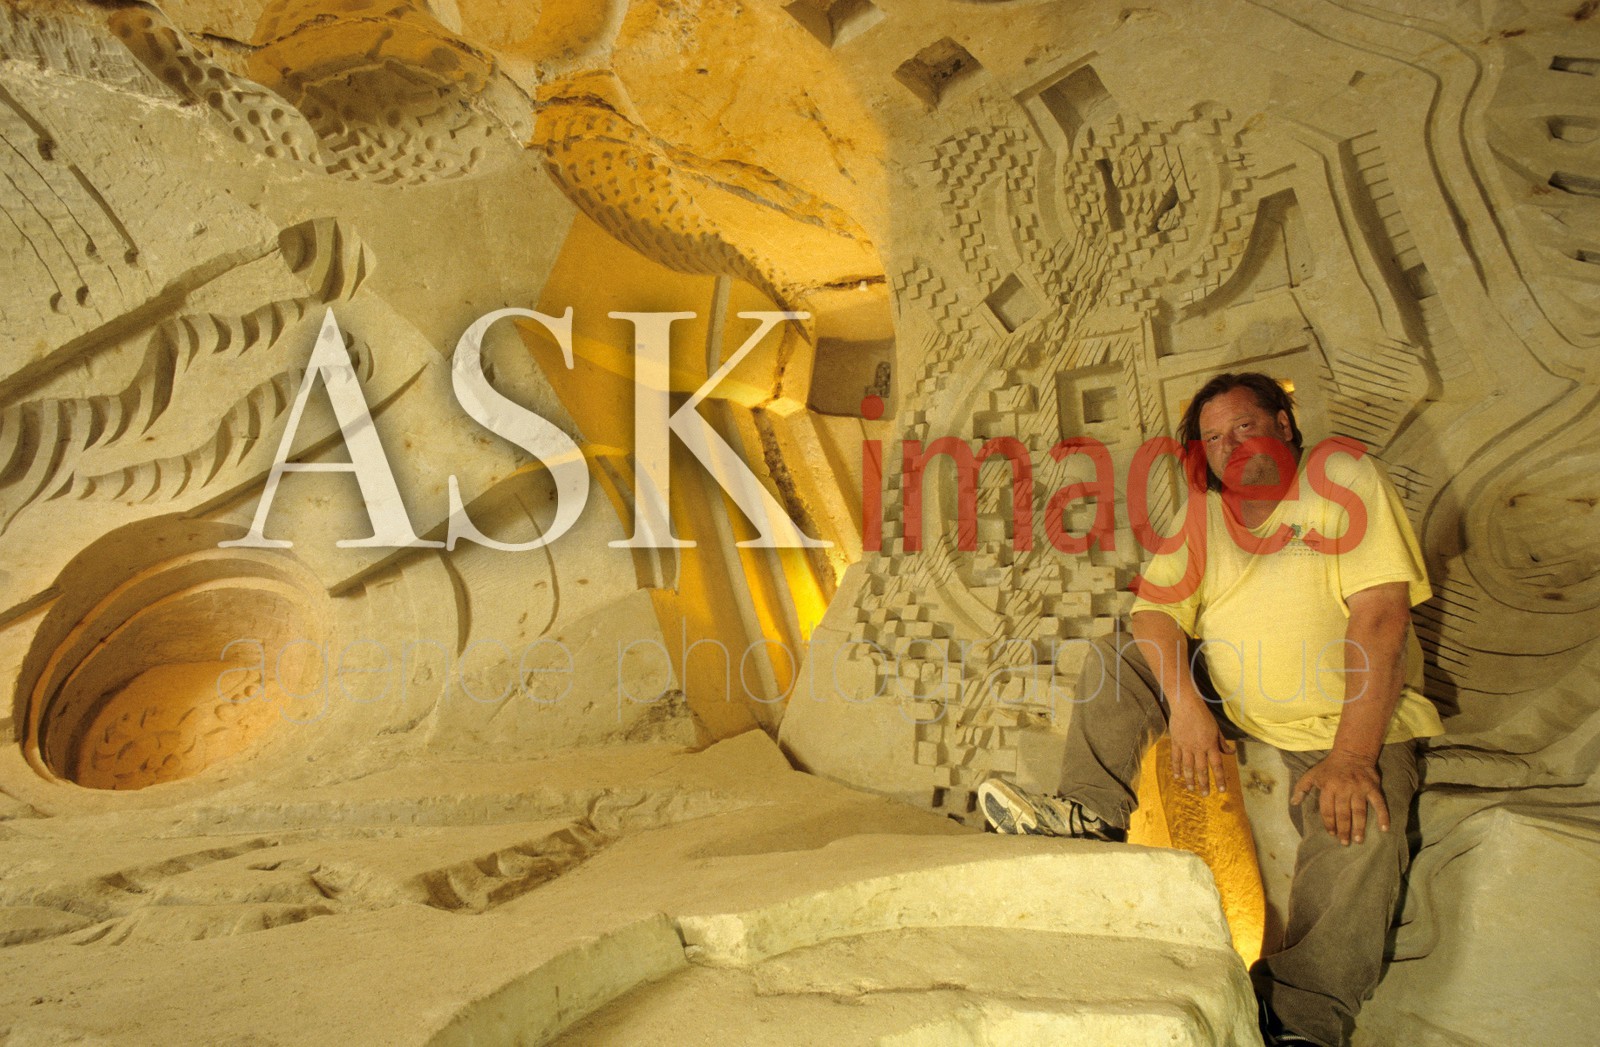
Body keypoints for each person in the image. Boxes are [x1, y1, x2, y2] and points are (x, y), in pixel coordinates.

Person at [977, 372, 1442, 1047]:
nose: (1230, 446)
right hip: (1233, 697)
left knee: (1362, 825)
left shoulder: (1340, 477)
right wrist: (1187, 707)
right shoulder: (1206, 510)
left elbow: (1381, 618)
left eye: (1244, 426)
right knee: (1119, 656)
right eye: (1215, 438)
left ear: (1284, 424)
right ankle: (1089, 815)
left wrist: (1351, 756)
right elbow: (1155, 613)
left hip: (1338, 720)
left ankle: (1299, 1019)